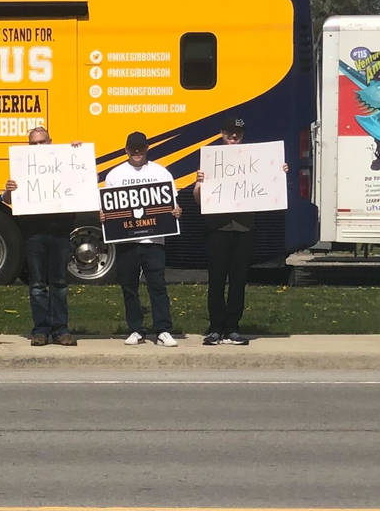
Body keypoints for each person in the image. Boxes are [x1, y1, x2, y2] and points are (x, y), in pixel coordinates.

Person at [197, 116, 281, 347]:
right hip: (217, 229)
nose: (234, 136)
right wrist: (200, 184)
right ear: (222, 133)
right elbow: (198, 199)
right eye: (230, 132)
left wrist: (278, 172)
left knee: (238, 281)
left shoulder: (256, 159)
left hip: (244, 228)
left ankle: (233, 328)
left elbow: (269, 185)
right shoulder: (211, 160)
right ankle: (215, 328)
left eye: (238, 133)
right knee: (216, 281)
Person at [2, 125, 78, 348]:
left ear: (50, 141)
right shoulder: (23, 167)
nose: (38, 146)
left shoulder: (64, 163)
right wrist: (8, 190)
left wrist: (75, 153)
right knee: (37, 285)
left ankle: (61, 330)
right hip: (34, 234)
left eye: (42, 141)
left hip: (60, 233)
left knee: (60, 284)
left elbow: (80, 181)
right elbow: (8, 200)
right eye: (33, 143)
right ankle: (40, 331)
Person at [105, 130, 178, 347]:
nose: (137, 152)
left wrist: (176, 211)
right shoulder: (114, 175)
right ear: (126, 150)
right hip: (127, 241)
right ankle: (136, 329)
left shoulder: (161, 173)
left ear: (147, 148)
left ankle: (163, 330)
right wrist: (104, 215)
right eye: (133, 148)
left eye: (141, 148)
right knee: (129, 286)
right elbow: (109, 207)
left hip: (154, 241)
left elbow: (171, 205)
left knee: (157, 285)